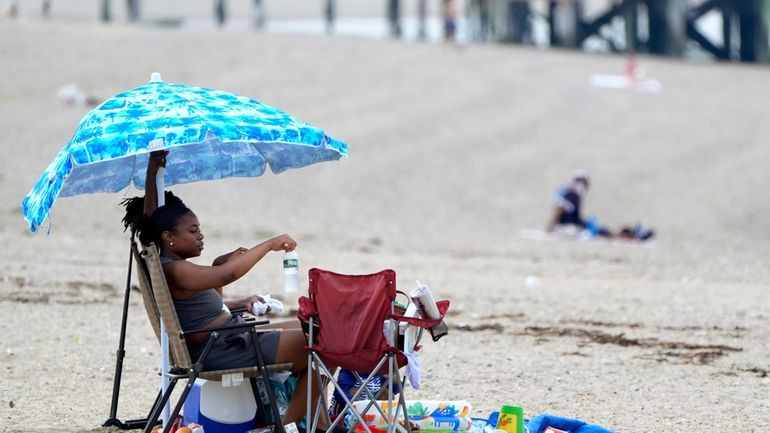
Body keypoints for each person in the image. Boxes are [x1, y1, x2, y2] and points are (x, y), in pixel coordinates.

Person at [123, 150, 333, 430]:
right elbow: (228, 274)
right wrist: (268, 245)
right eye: (193, 231)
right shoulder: (176, 270)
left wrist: (153, 171)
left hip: (227, 337)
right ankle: (289, 425)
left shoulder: (167, 259)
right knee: (320, 346)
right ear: (169, 237)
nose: (201, 235)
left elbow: (152, 222)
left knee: (312, 327)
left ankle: (317, 423)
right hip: (220, 347)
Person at [546, 171, 654, 241]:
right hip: (569, 229)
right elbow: (558, 209)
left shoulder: (567, 191)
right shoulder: (572, 193)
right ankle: (634, 237)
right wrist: (550, 229)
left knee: (602, 230)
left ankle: (633, 235)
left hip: (571, 226)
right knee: (603, 233)